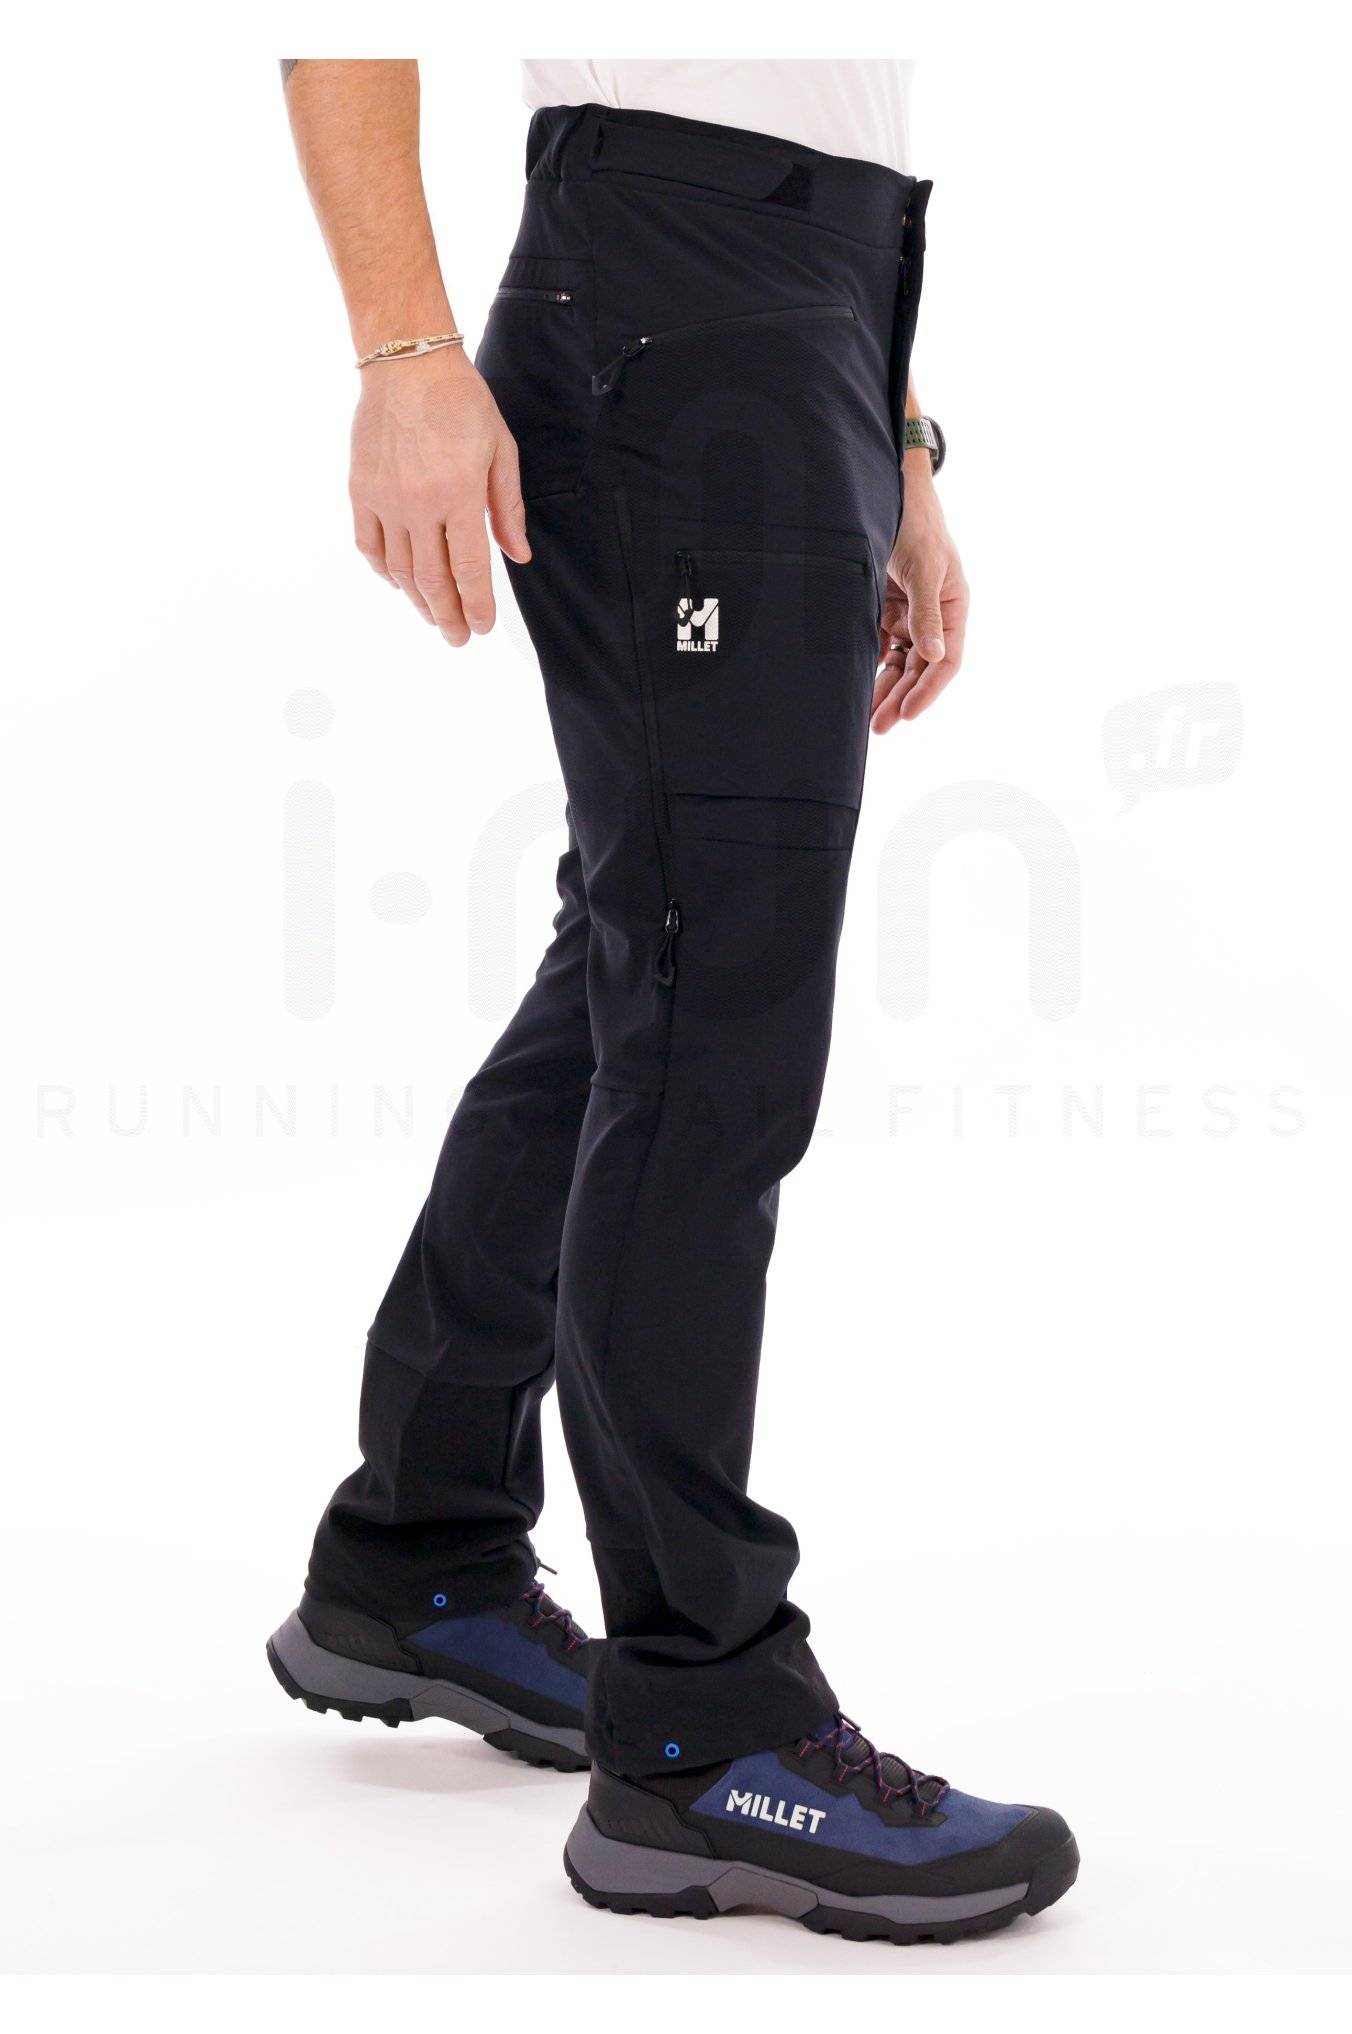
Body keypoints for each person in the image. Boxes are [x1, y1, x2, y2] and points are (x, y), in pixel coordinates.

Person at [268, 57, 1078, 1944]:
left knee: (651, 953)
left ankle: (420, 1545)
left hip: (810, 302)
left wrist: (897, 436)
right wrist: (402, 356)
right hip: (676, 295)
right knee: (716, 1016)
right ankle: (704, 1729)